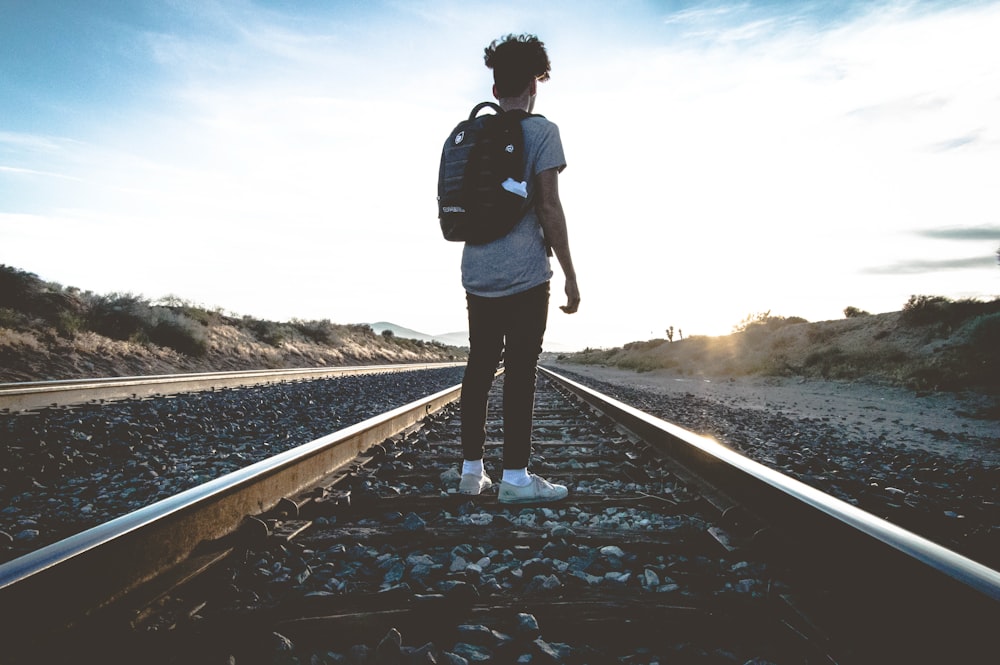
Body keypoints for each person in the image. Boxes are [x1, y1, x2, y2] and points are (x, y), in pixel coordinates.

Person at [456, 33, 580, 504]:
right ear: (534, 84)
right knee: (521, 370)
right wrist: (569, 271)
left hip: (477, 271)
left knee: (480, 365)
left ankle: (471, 473)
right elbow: (549, 208)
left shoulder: (473, 134)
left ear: (494, 90)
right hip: (526, 274)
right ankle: (515, 479)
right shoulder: (542, 131)